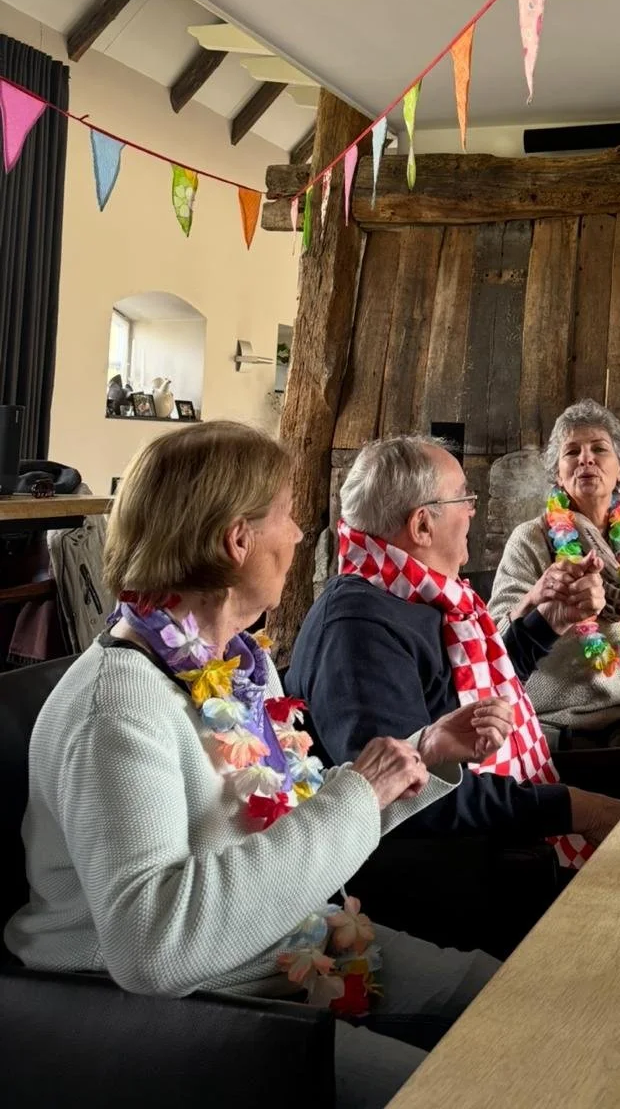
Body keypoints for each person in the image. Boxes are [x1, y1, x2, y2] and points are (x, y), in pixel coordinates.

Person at [4, 421, 499, 1107]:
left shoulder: (238, 664)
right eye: (289, 514)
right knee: (469, 1092)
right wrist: (357, 793)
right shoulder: (117, 705)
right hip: (172, 1011)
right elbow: (154, 945)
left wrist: (424, 756)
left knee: (515, 993)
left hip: (288, 947)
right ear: (237, 540)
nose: (300, 535)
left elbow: (287, 821)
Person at [288, 434, 620, 956]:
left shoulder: (411, 591)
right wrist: (575, 809)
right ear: (422, 524)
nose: (474, 511)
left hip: (484, 836)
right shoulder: (359, 627)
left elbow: (464, 696)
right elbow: (406, 797)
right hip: (450, 876)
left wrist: (544, 624)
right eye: (464, 499)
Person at [490, 400, 620, 770]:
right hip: (547, 723)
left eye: (599, 449)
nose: (586, 459)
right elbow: (493, 647)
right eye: (572, 452)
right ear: (558, 474)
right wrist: (539, 602)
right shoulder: (531, 540)